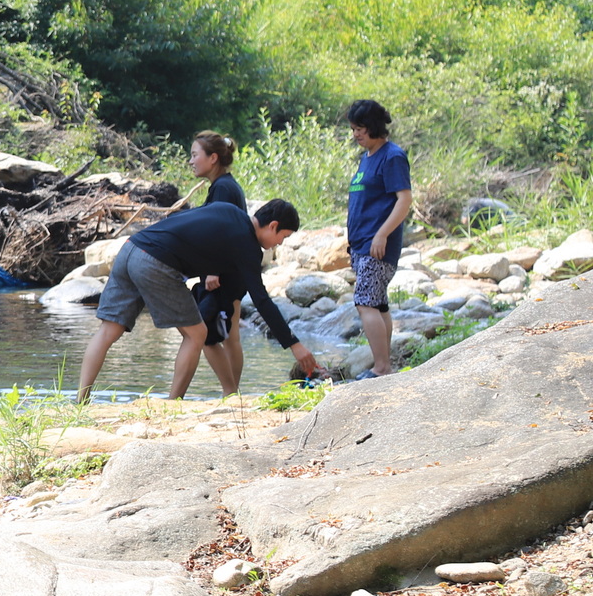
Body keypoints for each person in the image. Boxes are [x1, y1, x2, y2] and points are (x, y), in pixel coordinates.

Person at [77, 198, 324, 401]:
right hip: (154, 262)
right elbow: (261, 300)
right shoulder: (248, 246)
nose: (280, 243)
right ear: (273, 225)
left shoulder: (228, 210)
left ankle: (81, 400)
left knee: (109, 329)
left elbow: (193, 233)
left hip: (132, 247)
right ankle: (173, 403)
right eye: (284, 236)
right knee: (197, 334)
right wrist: (294, 344)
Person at [345, 99, 412, 378]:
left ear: (373, 126)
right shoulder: (367, 157)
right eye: (353, 129)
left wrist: (382, 234)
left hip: (378, 245)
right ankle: (385, 365)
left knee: (366, 303)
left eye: (360, 128)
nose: (355, 134)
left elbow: (404, 199)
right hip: (361, 244)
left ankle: (381, 368)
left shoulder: (392, 156)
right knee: (378, 302)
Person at [189, 131, 247, 394]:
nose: (191, 161)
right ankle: (232, 392)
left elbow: (222, 230)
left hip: (224, 274)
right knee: (231, 336)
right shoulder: (224, 185)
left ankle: (230, 392)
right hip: (233, 271)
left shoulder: (223, 187)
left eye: (194, 155)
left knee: (212, 335)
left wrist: (212, 270)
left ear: (213, 158)